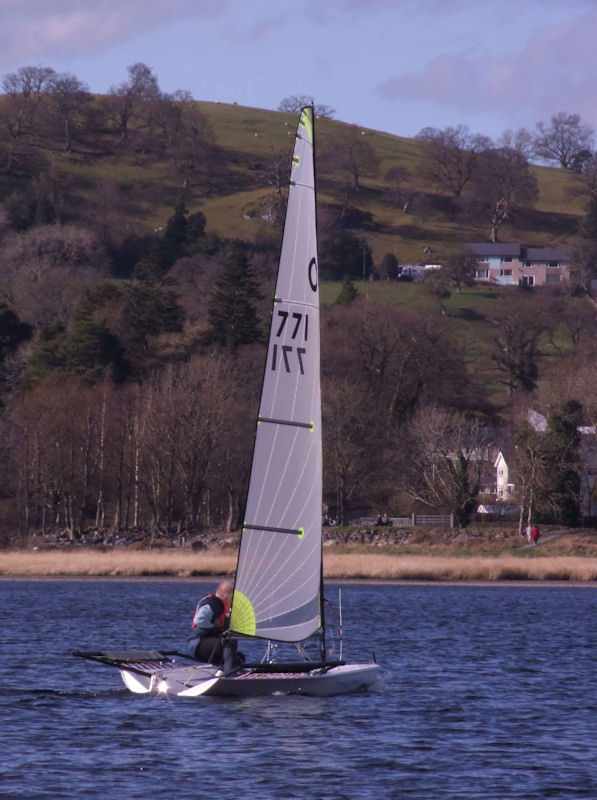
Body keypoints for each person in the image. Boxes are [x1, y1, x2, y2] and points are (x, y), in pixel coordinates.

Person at [187, 581, 243, 674]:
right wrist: (217, 630)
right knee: (227, 641)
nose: (234, 602)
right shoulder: (212, 604)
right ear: (225, 597)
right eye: (233, 599)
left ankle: (223, 671)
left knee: (239, 657)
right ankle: (230, 674)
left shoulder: (222, 608)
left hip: (210, 645)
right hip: (197, 645)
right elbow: (199, 620)